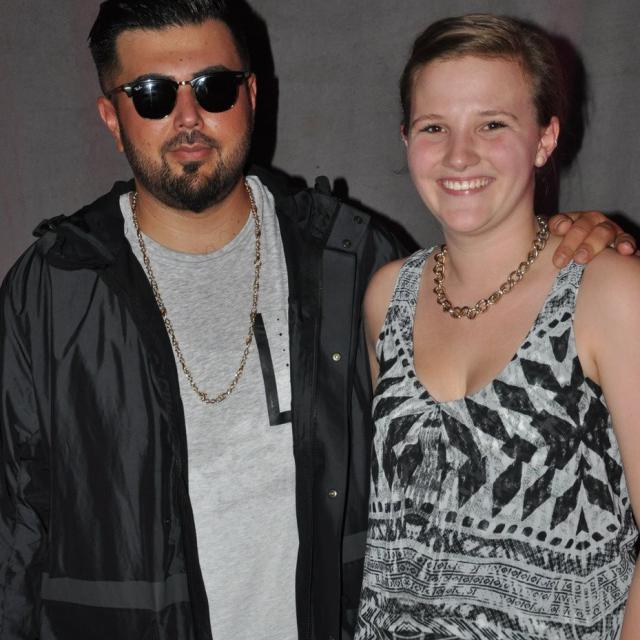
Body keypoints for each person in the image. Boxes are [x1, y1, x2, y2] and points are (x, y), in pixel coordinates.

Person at [0, 2, 633, 639]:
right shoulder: (52, 290)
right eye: (152, 95)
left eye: (214, 88)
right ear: (112, 116)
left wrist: (585, 245)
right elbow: (13, 534)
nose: (188, 117)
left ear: (250, 95)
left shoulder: (350, 260)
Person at [355, 13, 640, 640]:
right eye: (434, 127)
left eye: (492, 124)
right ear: (406, 138)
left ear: (544, 138)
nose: (459, 154)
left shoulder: (607, 293)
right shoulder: (388, 297)